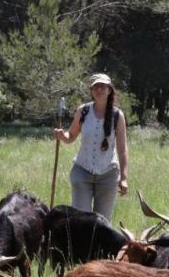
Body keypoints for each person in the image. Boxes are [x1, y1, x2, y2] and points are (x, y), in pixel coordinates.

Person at [53, 73, 128, 221]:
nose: (99, 89)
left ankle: (98, 246)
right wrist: (62, 136)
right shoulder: (84, 111)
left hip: (108, 174)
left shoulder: (117, 116)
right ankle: (79, 245)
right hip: (82, 172)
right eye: (96, 87)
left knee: (102, 223)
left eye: (103, 86)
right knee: (80, 220)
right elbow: (71, 136)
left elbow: (122, 149)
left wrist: (124, 178)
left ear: (109, 90)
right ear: (91, 90)